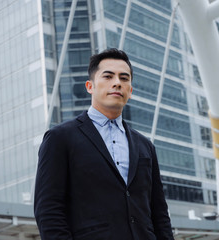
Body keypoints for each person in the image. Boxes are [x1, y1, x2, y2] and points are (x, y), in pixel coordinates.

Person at [34, 49, 174, 240]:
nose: (117, 82)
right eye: (108, 76)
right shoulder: (60, 138)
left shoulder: (145, 146)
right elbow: (48, 209)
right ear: (89, 86)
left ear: (130, 91)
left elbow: (159, 213)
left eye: (124, 78)